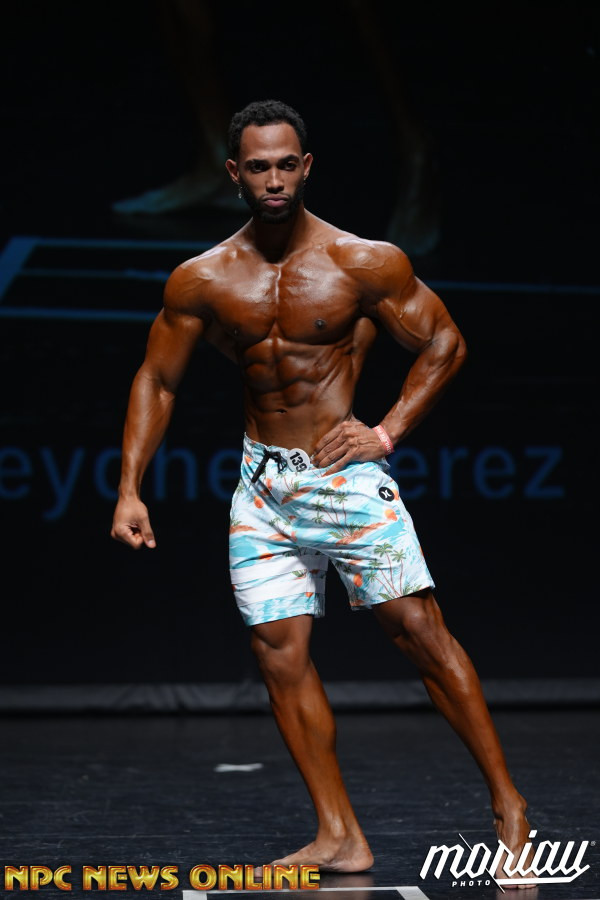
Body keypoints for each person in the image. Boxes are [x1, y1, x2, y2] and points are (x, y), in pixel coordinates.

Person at [111, 100, 533, 887]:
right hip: (262, 487)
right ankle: (339, 834)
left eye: (286, 164)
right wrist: (129, 487)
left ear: (306, 167)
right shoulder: (203, 278)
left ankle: (508, 807)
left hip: (344, 476)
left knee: (420, 634)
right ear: (234, 174)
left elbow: (445, 341)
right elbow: (158, 380)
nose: (274, 180)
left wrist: (388, 431)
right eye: (258, 167)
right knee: (280, 657)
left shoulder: (361, 262)